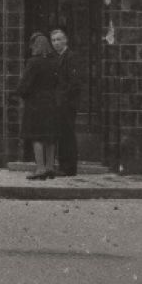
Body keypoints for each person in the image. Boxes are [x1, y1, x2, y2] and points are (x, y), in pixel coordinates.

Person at [16, 32, 62, 180]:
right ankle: (50, 167)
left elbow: (24, 85)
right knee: (50, 137)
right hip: (52, 102)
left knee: (37, 136)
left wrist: (21, 93)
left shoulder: (33, 62)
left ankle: (40, 168)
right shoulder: (55, 61)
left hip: (35, 103)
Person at [49, 27, 80, 176]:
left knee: (67, 135)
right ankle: (63, 166)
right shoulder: (57, 57)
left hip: (67, 104)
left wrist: (63, 99)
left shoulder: (71, 57)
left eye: (59, 39)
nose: (56, 43)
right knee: (62, 134)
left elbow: (74, 83)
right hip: (59, 103)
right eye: (53, 40)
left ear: (65, 40)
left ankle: (69, 168)